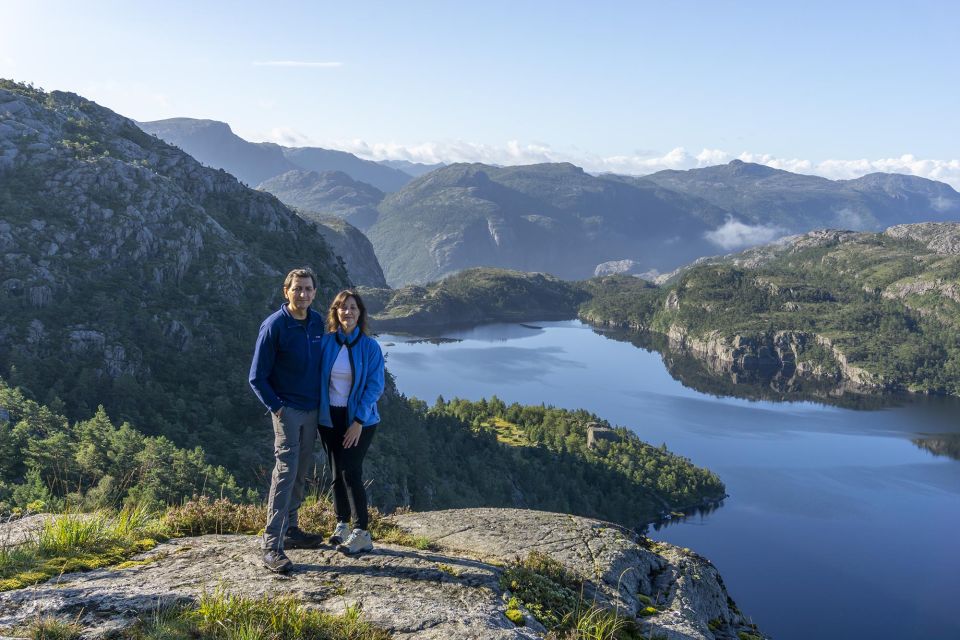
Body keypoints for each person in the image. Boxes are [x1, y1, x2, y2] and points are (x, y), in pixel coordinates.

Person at [249, 268, 326, 573]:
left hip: (313, 411)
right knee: (285, 472)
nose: (303, 294)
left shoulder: (318, 322)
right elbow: (257, 376)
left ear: (314, 293)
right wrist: (277, 408)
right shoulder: (274, 326)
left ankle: (291, 529)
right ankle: (271, 545)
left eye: (308, 289)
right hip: (288, 411)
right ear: (286, 291)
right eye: (297, 289)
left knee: (301, 472)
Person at [318, 289, 385, 555]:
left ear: (360, 313)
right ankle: (342, 524)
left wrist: (358, 421)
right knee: (335, 474)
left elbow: (375, 386)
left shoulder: (370, 347)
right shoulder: (326, 343)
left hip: (360, 420)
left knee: (351, 472)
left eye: (353, 307)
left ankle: (362, 532)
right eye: (343, 307)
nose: (348, 312)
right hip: (329, 417)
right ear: (335, 312)